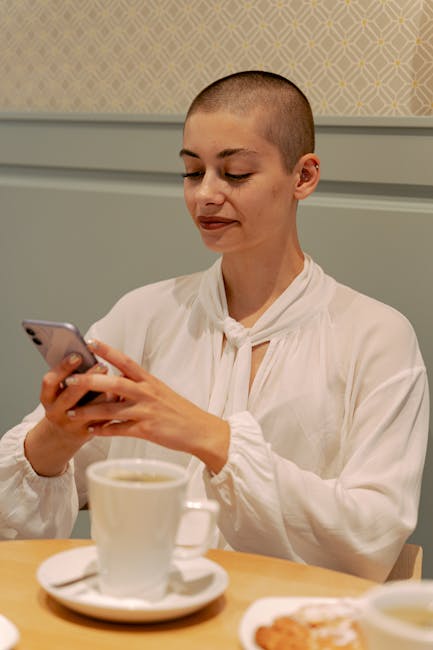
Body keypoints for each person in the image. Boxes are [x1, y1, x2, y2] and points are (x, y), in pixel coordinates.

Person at [0, 71, 428, 581]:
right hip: (141, 606)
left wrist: (210, 437)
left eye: (236, 173)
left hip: (288, 623)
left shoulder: (377, 337)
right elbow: (16, 518)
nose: (206, 194)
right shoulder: (144, 314)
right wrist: (57, 435)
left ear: (304, 176)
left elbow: (373, 538)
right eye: (191, 172)